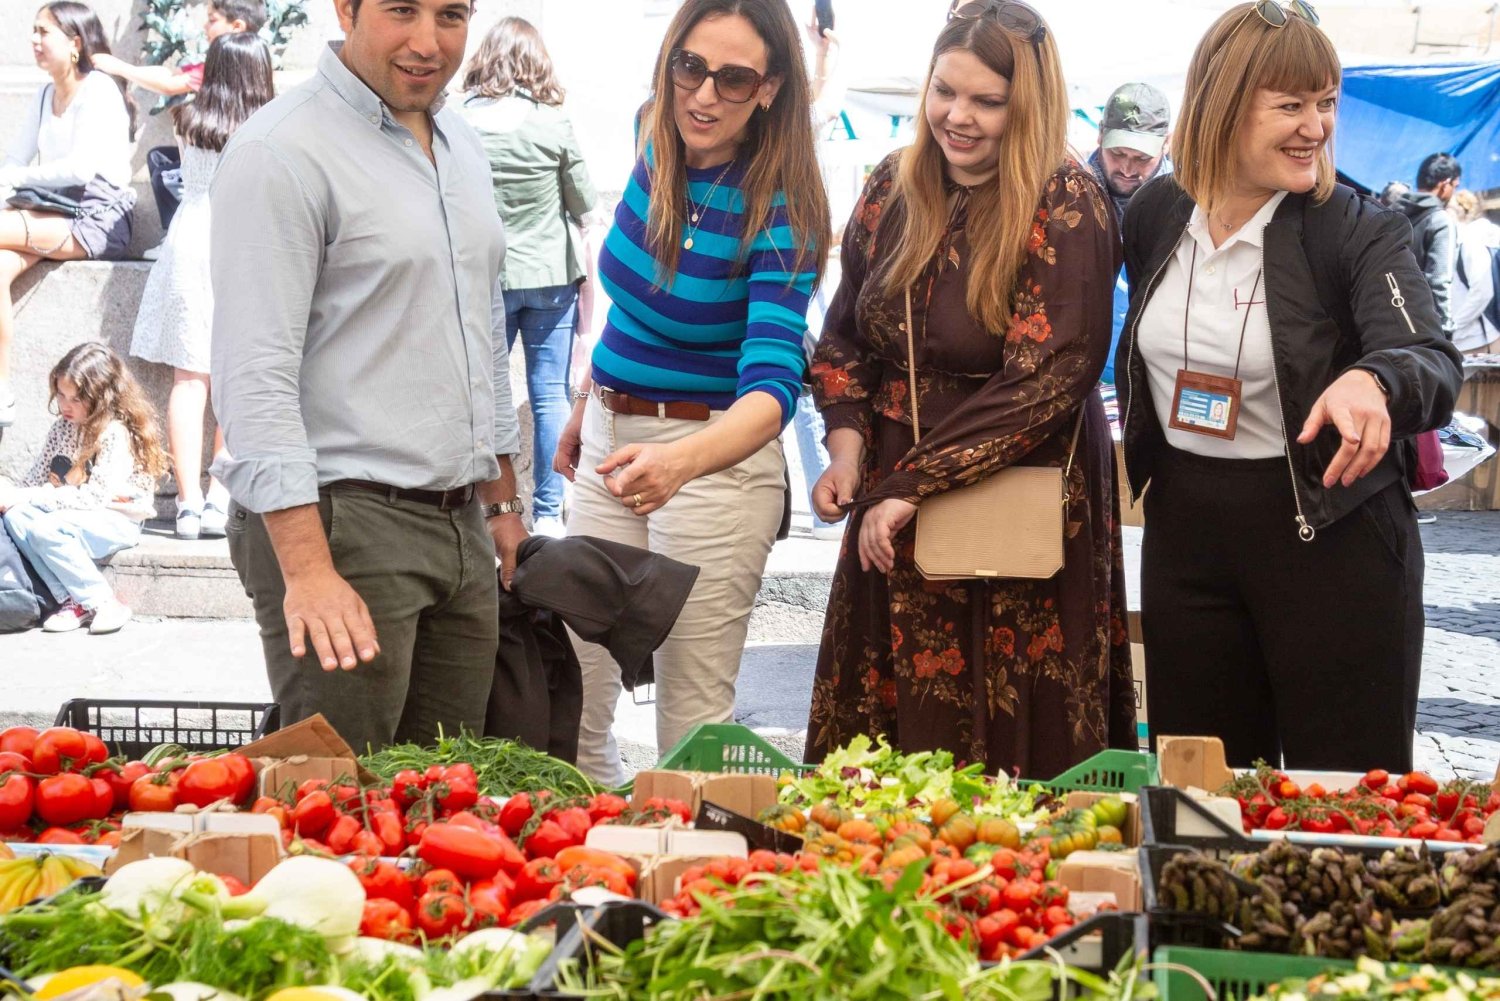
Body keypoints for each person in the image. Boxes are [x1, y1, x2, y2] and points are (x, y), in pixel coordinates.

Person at [1117, 1, 1464, 771]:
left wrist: (1376, 379)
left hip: (1332, 540)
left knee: (1343, 801)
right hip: (1186, 540)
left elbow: (1432, 358)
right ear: (1222, 105)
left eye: (1325, 103)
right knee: (1200, 794)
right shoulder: (1156, 213)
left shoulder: (1355, 225)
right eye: (1291, 105)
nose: (1317, 126)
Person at [805, 1, 1135, 777]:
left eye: (988, 101)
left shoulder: (1069, 201)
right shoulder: (892, 184)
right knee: (884, 752)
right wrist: (847, 447)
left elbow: (1051, 373)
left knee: (1018, 739)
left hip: (1019, 493)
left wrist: (914, 481)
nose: (959, 117)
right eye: (945, 91)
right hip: (893, 491)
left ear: (1030, 103)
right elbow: (845, 334)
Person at [210, 0, 527, 753]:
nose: (427, 42)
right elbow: (254, 376)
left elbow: (481, 328)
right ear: (345, 9)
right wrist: (308, 567)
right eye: (401, 11)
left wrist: (503, 499)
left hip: (459, 525)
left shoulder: (460, 142)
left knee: (448, 801)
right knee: (338, 808)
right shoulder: (281, 150)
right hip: (343, 523)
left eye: (451, 15)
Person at [553, 0, 830, 786]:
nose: (704, 95)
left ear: (770, 87)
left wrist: (681, 463)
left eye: (733, 79)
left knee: (688, 729)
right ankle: (593, 881)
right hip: (612, 443)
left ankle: (684, 892)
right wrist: (588, 399)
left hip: (713, 463)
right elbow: (632, 302)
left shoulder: (783, 205)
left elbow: (774, 386)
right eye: (690, 67)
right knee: (573, 698)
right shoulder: (658, 137)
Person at [130, 33, 274, 541]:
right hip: (245, 242)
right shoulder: (270, 124)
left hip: (190, 238)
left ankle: (187, 504)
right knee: (242, 378)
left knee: (189, 382)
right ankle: (220, 496)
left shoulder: (188, 118)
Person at [459, 17, 596, 539]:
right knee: (548, 395)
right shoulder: (552, 123)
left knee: (482, 392)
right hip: (549, 277)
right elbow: (584, 206)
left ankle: (489, 507)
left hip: (484, 276)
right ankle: (546, 511)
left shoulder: (458, 122)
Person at [0, 1, 136, 429]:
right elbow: (16, 155)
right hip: (51, 210)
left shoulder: (98, 90)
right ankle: (3, 391)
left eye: (44, 32)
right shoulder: (44, 93)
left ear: (75, 43)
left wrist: (15, 178)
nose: (34, 41)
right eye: (34, 31)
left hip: (97, 215)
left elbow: (81, 168)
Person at [0, 343, 167, 635]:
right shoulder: (62, 428)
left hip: (114, 518)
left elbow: (93, 498)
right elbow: (35, 481)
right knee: (15, 516)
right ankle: (72, 601)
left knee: (45, 529)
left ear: (101, 398)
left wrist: (26, 496)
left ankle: (104, 602)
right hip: (66, 514)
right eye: (61, 395)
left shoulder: (114, 432)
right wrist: (10, 493)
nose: (65, 405)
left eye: (75, 399)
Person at [91, 0, 267, 243]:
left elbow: (169, 84)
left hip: (222, 187)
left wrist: (120, 67)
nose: (204, 26)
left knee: (164, 172)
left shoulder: (224, 65)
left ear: (237, 26)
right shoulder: (257, 65)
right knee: (160, 159)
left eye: (213, 19)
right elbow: (171, 76)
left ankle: (174, 235)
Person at [1087, 82, 1170, 385]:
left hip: (1155, 378)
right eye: (1117, 153)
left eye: (1141, 159)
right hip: (1083, 378)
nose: (1126, 168)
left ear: (1167, 144)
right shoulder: (1067, 195)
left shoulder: (1186, 206)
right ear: (1100, 133)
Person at [1394, 152, 1462, 341]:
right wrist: (1445, 328)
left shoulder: (1393, 213)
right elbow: (1439, 280)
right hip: (1425, 327)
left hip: (1389, 322)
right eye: (1455, 186)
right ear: (1445, 184)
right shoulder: (1440, 221)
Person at [1451, 189, 1499, 355]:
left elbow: (1483, 292)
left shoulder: (1469, 242)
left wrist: (1453, 325)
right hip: (1470, 337)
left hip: (1478, 339)